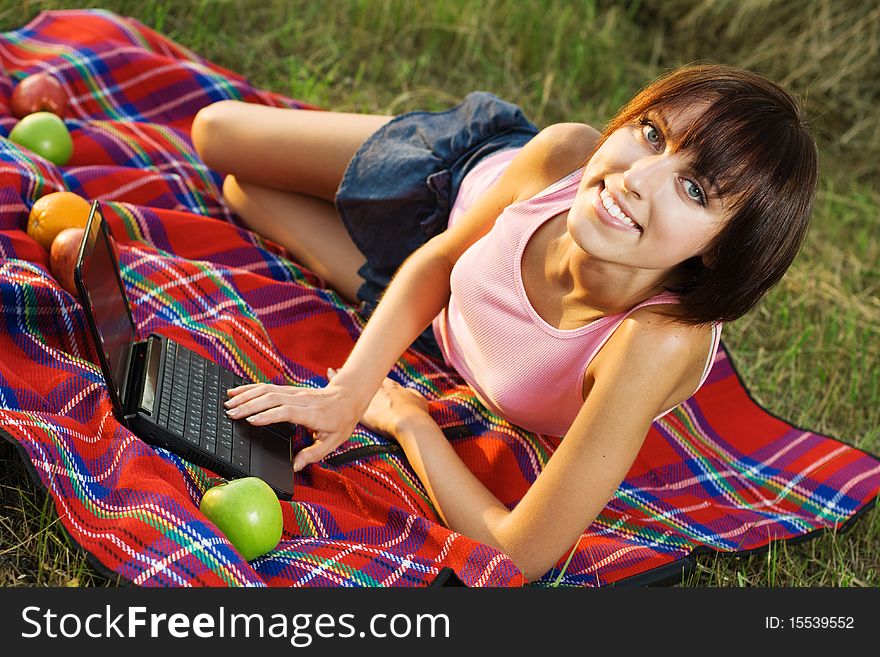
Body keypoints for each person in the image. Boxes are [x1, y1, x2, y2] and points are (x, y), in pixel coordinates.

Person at [190, 64, 818, 581]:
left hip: (420, 301)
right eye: (653, 135)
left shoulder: (653, 341)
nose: (636, 178)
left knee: (247, 193)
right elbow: (441, 258)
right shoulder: (564, 157)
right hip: (450, 180)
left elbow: (520, 553)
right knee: (214, 134)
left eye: (696, 191)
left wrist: (410, 423)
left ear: (723, 248)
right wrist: (347, 393)